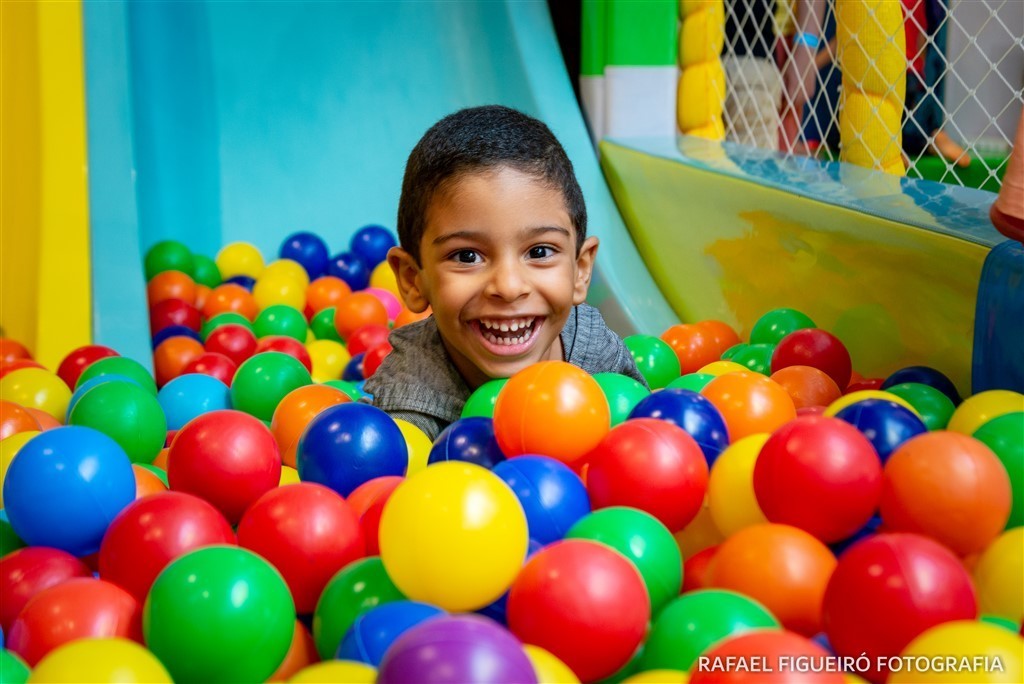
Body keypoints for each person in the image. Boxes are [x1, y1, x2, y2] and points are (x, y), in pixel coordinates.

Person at [364, 105, 647, 440]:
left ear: (581, 270)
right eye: (467, 256)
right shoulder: (407, 403)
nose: (509, 287)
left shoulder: (595, 353)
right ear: (413, 279)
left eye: (539, 252)